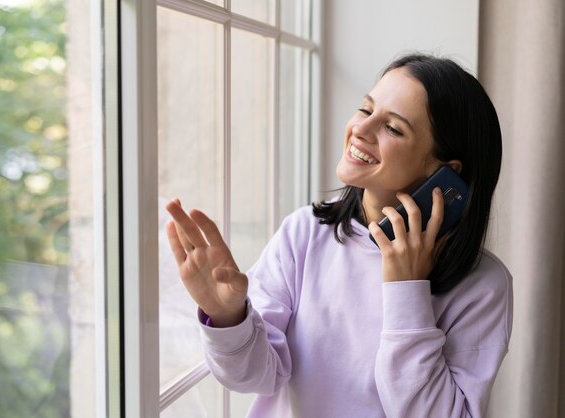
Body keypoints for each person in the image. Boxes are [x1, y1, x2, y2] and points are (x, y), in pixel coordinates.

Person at [165, 53, 513, 418]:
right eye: (366, 110)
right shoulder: (304, 235)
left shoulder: (484, 287)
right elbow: (256, 376)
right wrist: (227, 317)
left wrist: (407, 290)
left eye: (393, 128)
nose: (361, 130)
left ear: (444, 172)